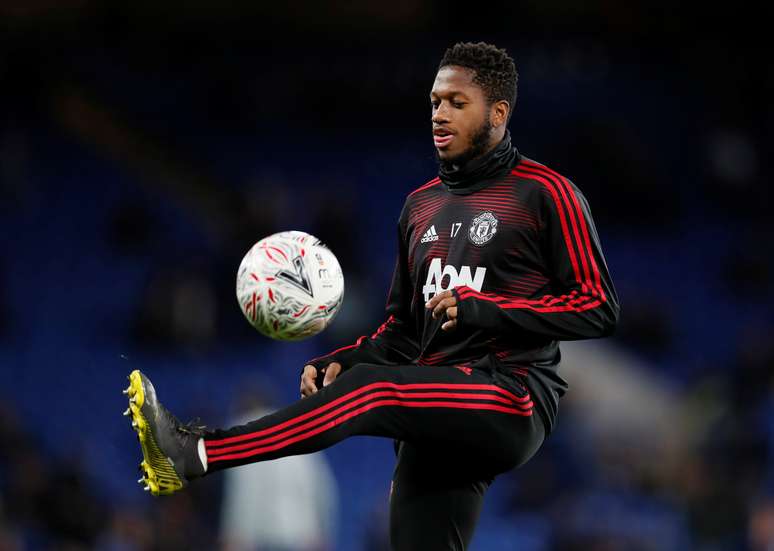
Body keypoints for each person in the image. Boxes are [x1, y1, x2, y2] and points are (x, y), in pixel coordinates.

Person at [124, 41, 619, 550]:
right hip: (436, 413)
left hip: (510, 394)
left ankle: (196, 453)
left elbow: (598, 306)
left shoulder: (547, 194)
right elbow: (403, 330)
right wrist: (346, 358)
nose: (440, 114)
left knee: (373, 390)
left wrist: (486, 309)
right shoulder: (421, 207)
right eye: (435, 101)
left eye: (457, 102)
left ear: (498, 113)